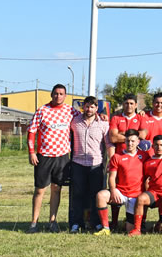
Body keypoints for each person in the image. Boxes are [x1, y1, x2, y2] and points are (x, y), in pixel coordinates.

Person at [26, 84, 78, 233]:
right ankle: (34, 223)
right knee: (40, 190)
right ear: (51, 95)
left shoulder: (70, 111)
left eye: (61, 94)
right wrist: (31, 152)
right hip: (44, 156)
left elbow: (86, 117)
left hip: (62, 157)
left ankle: (52, 222)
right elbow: (31, 132)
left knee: (56, 189)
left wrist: (102, 115)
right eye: (56, 93)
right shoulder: (42, 111)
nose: (58, 96)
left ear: (65, 96)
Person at [69, 95, 111, 233]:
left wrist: (111, 160)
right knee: (78, 194)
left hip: (96, 164)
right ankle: (76, 223)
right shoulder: (74, 121)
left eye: (92, 106)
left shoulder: (103, 124)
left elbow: (108, 144)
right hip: (78, 163)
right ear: (83, 107)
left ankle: (96, 222)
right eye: (86, 106)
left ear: (96, 108)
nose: (89, 109)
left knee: (95, 195)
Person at [94, 130, 147, 235]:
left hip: (135, 196)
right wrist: (113, 190)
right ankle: (106, 228)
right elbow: (112, 177)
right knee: (101, 196)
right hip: (120, 193)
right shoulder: (117, 157)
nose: (130, 143)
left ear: (138, 142)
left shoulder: (144, 156)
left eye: (132, 141)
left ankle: (131, 223)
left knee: (129, 229)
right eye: (127, 141)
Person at [130, 135, 162, 236]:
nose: (159, 147)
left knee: (161, 229)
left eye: (161, 145)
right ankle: (138, 229)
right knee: (141, 199)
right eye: (156, 145)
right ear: (152, 146)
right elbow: (145, 180)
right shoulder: (148, 162)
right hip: (155, 194)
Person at [108, 93, 141, 158]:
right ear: (123, 104)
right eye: (126, 103)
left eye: (131, 103)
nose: (129, 106)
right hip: (120, 156)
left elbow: (142, 135)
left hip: (137, 158)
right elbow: (113, 138)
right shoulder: (115, 118)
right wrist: (134, 138)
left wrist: (121, 134)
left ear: (136, 105)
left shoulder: (141, 118)